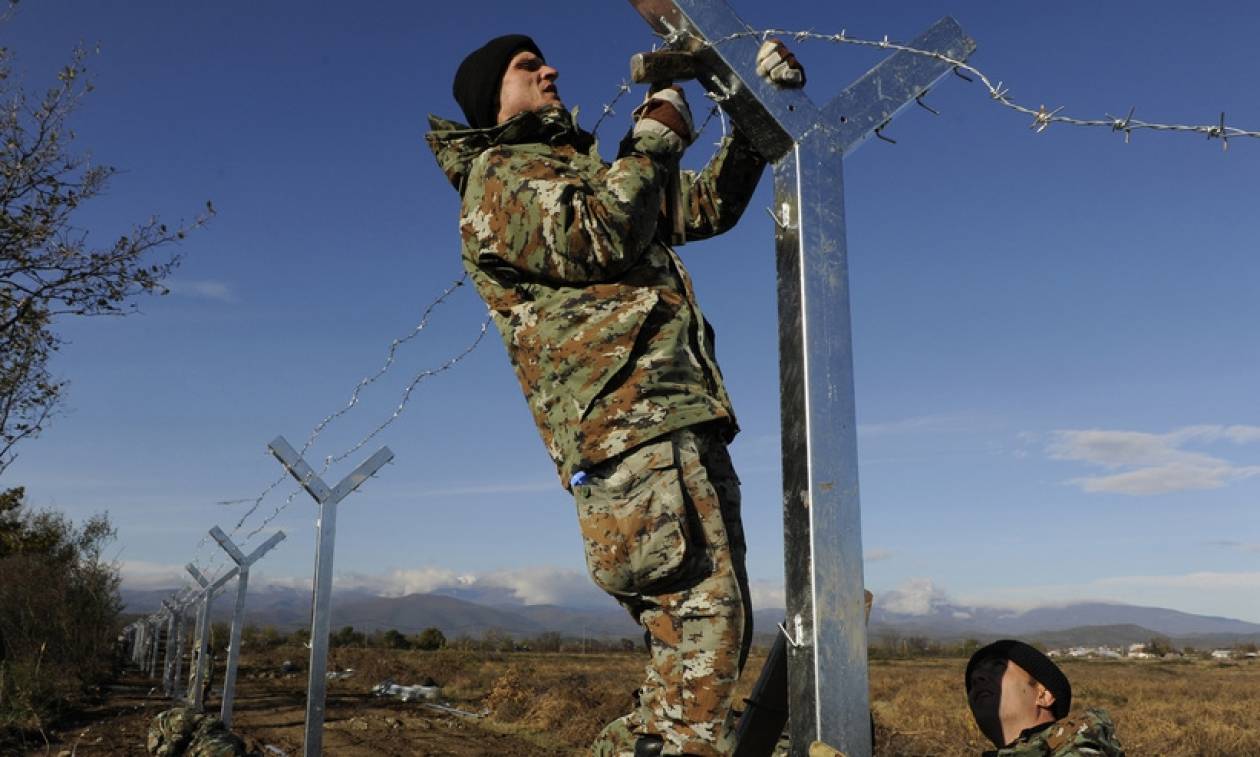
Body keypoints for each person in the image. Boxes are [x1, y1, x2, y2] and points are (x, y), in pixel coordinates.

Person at [426, 34, 802, 757]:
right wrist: (655, 132)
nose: (550, 70)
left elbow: (703, 207)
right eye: (526, 68)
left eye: (544, 61)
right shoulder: (498, 176)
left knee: (693, 652)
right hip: (629, 430)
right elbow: (600, 233)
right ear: (491, 99)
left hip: (670, 416)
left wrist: (752, 115)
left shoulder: (581, 168)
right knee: (703, 639)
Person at [965, 639, 1125, 756]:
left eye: (998, 667)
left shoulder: (1081, 751)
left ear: (1044, 695)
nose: (977, 677)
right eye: (974, 677)